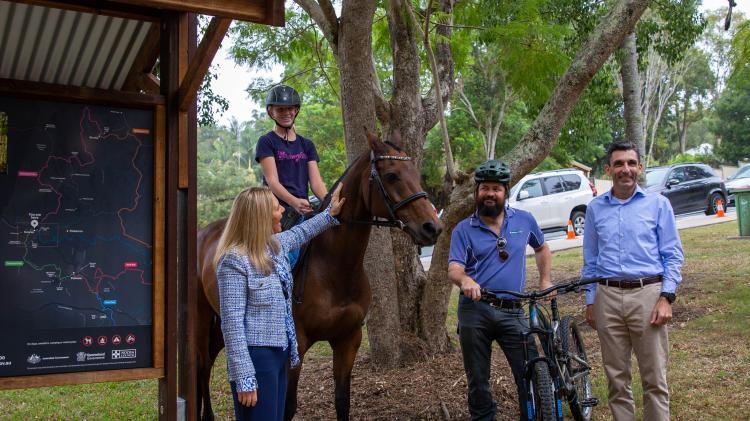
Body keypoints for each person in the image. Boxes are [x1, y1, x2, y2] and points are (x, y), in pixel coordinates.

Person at [214, 184, 345, 421]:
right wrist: (244, 377)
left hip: (280, 354)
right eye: (276, 208)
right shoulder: (233, 261)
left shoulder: (274, 246)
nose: (283, 211)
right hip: (257, 358)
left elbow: (302, 232)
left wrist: (330, 214)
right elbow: (231, 325)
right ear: (260, 216)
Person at [582, 141, 684, 421]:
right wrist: (591, 300)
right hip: (607, 297)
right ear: (608, 169)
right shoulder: (594, 209)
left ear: (639, 167)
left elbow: (673, 255)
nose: (625, 169)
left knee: (654, 379)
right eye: (618, 164)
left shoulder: (658, 204)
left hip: (648, 296)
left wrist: (666, 297)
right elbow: (590, 260)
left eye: (630, 163)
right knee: (616, 380)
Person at [448, 159, 553, 421]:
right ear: (476, 192)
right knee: (478, 378)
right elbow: (454, 268)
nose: (490, 194)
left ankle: (533, 415)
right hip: (475, 311)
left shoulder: (524, 220)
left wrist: (546, 280)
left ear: (506, 192)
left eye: (496, 188)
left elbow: (542, 247)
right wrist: (466, 281)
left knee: (528, 371)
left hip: (512, 310)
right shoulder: (463, 229)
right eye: (485, 188)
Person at [255, 84, 327, 218]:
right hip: (276, 209)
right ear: (271, 112)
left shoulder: (307, 144)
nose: (286, 113)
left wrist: (330, 202)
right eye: (280, 109)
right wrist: (293, 202)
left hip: (303, 206)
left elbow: (316, 183)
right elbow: (272, 182)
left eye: (290, 108)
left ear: (296, 110)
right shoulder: (266, 141)